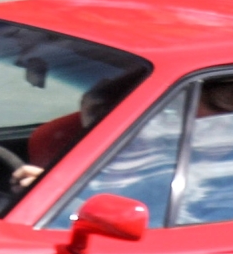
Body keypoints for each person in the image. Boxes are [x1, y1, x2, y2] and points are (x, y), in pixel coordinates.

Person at [10, 73, 142, 192]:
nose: (96, 120)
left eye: (102, 110)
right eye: (91, 111)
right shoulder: (60, 142)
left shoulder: (151, 156)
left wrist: (55, 191)